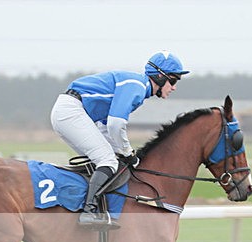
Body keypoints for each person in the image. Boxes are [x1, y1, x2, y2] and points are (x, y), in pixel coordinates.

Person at [50, 51, 189, 227]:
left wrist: (122, 152)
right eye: (173, 80)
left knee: (108, 160)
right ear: (160, 77)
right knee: (107, 160)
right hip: (71, 111)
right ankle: (88, 212)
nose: (174, 87)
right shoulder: (137, 86)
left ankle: (93, 207)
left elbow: (105, 126)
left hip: (70, 111)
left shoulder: (138, 87)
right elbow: (116, 124)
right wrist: (128, 152)